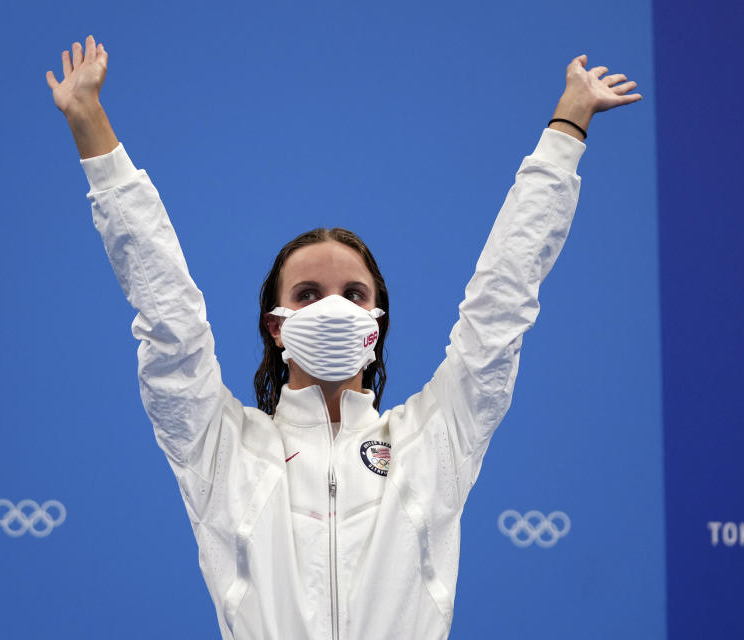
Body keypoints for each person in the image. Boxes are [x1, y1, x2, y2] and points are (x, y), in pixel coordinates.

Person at [46, 35, 641, 640]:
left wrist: (567, 126)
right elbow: (167, 312)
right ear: (277, 326)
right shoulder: (221, 447)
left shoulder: (434, 438)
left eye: (353, 294)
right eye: (307, 294)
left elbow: (501, 304)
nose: (332, 307)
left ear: (376, 325)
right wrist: (92, 126)